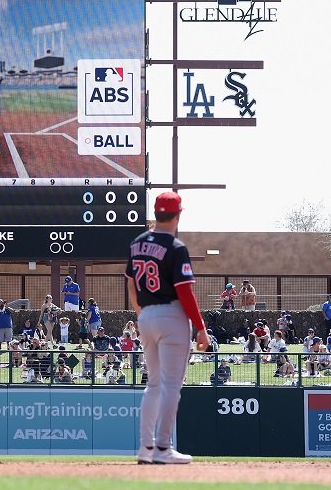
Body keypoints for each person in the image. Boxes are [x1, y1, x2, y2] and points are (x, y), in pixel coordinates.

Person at [127, 192, 208, 465]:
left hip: (146, 315)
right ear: (178, 215)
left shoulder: (137, 243)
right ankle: (163, 447)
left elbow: (130, 284)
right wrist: (201, 327)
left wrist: (143, 314)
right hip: (171, 315)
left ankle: (145, 448)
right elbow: (184, 292)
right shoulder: (176, 246)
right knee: (171, 385)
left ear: (155, 212)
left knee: (153, 384)